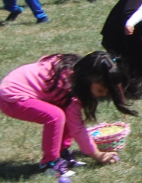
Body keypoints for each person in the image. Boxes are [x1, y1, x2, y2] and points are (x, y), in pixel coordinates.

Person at [0, 52, 134, 175]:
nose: (103, 95)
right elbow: (77, 128)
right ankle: (50, 164)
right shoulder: (71, 89)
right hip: (11, 97)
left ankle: (62, 154)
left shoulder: (74, 74)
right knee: (55, 116)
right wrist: (97, 154)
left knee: (63, 113)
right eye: (100, 90)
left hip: (11, 88)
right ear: (87, 79)